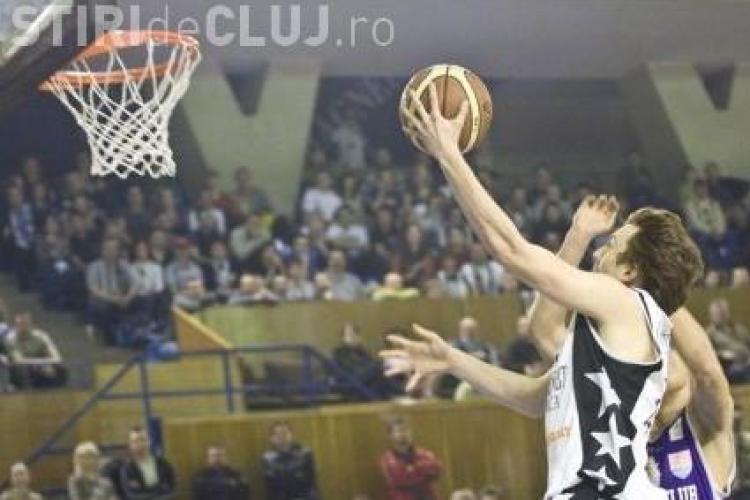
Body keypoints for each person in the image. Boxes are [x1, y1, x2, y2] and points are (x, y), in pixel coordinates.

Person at [397, 87, 703, 498]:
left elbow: (512, 252)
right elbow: (538, 392)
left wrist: (448, 154)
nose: (600, 251)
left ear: (630, 271)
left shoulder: (625, 302)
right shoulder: (614, 334)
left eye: (612, 246)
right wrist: (454, 361)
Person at [524, 195, 736, 499]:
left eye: (663, 363)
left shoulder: (707, 433)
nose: (653, 372)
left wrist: (654, 283)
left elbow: (707, 370)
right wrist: (577, 239)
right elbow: (544, 331)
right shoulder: (614, 410)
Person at [380, 416, 442, 500]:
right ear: (391, 435)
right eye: (399, 431)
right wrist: (423, 471)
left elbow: (437, 468)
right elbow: (400, 477)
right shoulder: (387, 459)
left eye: (406, 430)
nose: (404, 434)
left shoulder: (424, 454)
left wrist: (412, 469)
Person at [5, 312, 67, 388]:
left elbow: (57, 358)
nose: (23, 326)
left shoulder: (41, 336)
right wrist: (39, 363)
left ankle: (59, 391)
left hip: (41, 365)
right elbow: (19, 361)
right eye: (20, 324)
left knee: (61, 367)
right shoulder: (11, 339)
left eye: (25, 323)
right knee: (22, 370)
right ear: (15, 325)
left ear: (32, 324)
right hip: (22, 369)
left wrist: (43, 364)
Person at [261, 421, 319, 500]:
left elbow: (312, 485)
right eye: (278, 434)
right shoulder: (267, 459)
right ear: (271, 438)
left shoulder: (305, 454)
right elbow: (271, 490)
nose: (282, 437)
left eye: (285, 433)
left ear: (291, 435)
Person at [119, 426, 176, 500]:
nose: (140, 444)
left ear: (149, 442)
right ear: (131, 445)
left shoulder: (163, 463)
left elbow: (174, 490)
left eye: (143, 440)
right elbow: (132, 495)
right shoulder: (127, 469)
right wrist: (157, 493)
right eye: (135, 441)